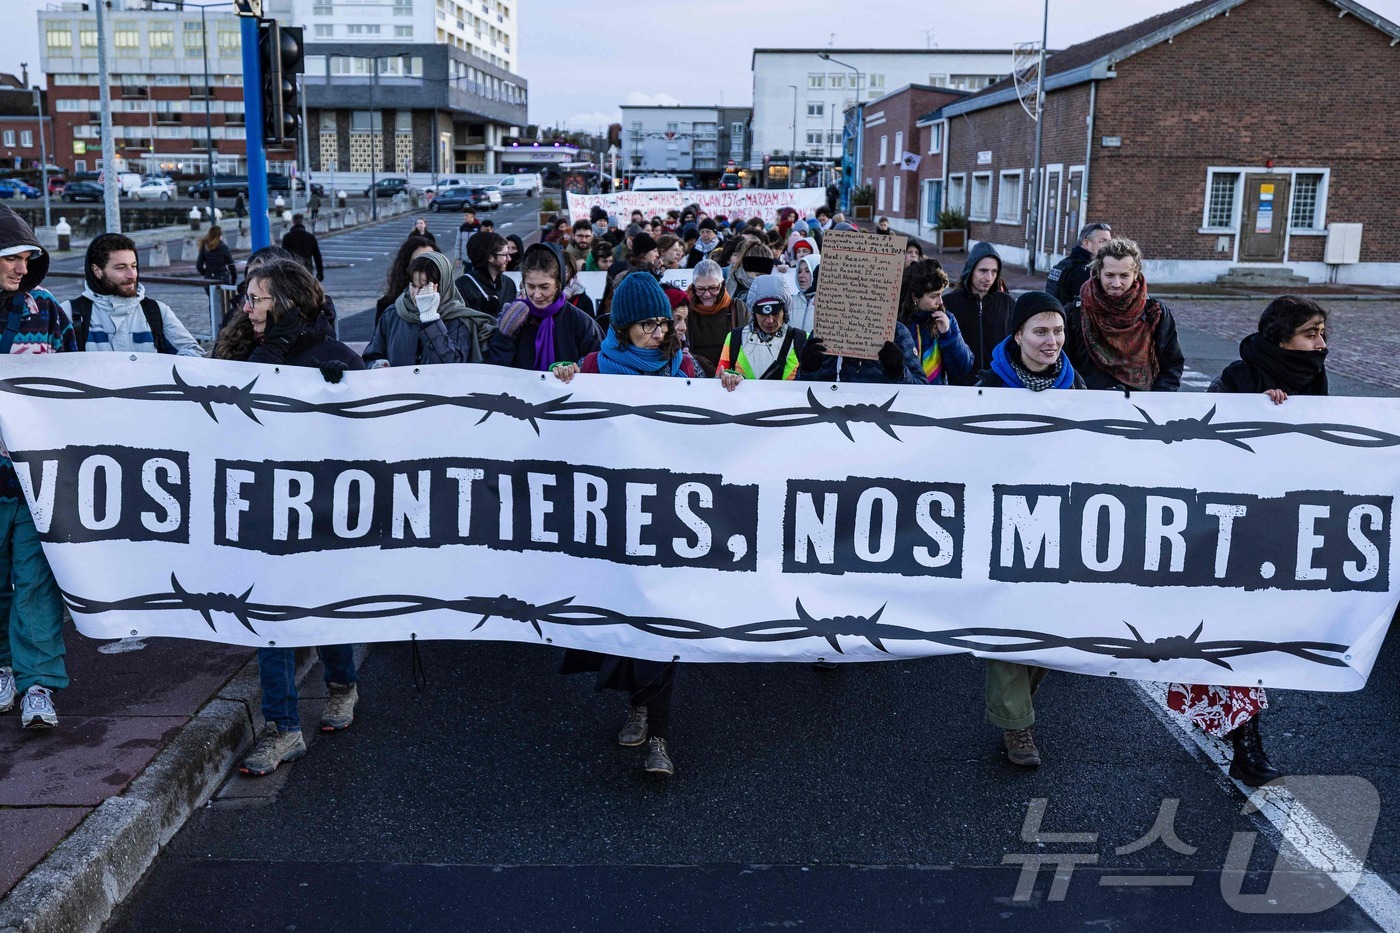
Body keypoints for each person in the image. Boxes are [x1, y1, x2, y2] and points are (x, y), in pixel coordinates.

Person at [1163, 296, 1330, 787]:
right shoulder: (1238, 379)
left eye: (1322, 334)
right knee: (1233, 639)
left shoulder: (1314, 381)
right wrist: (1260, 414)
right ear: (1282, 339)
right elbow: (1205, 450)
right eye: (1311, 334)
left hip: (1279, 533)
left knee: (1253, 640)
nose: (1320, 345)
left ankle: (1232, 727)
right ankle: (1247, 746)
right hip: (1224, 535)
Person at [212, 258, 363, 776]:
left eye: (257, 299)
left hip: (320, 515)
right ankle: (284, 729)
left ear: (289, 304)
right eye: (247, 298)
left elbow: (367, 442)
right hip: (262, 512)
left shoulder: (336, 358)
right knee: (269, 622)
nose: (246, 307)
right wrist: (269, 350)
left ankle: (342, 684)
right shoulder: (240, 352)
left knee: (323, 607)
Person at [551, 274, 695, 776]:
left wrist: (729, 391)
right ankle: (636, 703)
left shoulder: (684, 368)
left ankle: (660, 735)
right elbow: (559, 418)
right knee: (626, 620)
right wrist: (560, 379)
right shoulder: (593, 368)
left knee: (662, 625)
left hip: (669, 517)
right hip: (613, 517)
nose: (658, 333)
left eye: (662, 323)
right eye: (645, 325)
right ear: (623, 327)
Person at [973, 292, 1084, 767]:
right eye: (1040, 331)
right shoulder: (985, 385)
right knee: (1012, 621)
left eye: (1057, 331)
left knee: (1048, 626)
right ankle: (1017, 724)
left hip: (1058, 523)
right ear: (1017, 335)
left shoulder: (1078, 388)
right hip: (1002, 524)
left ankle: (1017, 708)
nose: (1051, 341)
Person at [0, 204, 76, 730]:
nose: (20, 267)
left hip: (34, 478)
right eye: (9, 257)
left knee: (35, 582)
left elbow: (77, 384)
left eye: (27, 257)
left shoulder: (46, 308)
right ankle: (4, 667)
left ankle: (37, 685)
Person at [1063, 237, 1184, 392]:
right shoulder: (1075, 314)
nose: (1116, 283)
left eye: (1124, 276)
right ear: (1098, 272)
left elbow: (1171, 365)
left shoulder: (1155, 313)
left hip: (1139, 407)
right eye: (1110, 275)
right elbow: (1062, 365)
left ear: (1136, 274)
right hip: (1088, 405)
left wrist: (1155, 402)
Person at [62, 232, 202, 356]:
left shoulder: (157, 311)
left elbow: (194, 351)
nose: (132, 275)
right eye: (121, 268)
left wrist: (164, 372)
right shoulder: (69, 313)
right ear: (97, 271)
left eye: (133, 266)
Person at [363, 250, 496, 368]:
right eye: (413, 286)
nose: (416, 294)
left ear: (441, 286)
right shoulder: (394, 313)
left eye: (423, 287)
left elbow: (453, 364)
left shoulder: (459, 320)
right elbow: (371, 355)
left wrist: (431, 320)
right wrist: (376, 365)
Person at [488, 242, 601, 372]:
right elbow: (493, 372)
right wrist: (504, 337)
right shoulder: (514, 317)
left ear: (559, 283)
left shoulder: (581, 323)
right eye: (530, 286)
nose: (536, 295)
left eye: (544, 287)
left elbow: (598, 367)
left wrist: (579, 369)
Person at [715, 273, 807, 386]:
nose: (769, 320)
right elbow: (718, 379)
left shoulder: (803, 340)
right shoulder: (734, 337)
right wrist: (726, 377)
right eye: (762, 313)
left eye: (775, 313)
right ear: (753, 313)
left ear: (785, 311)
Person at [943, 241, 1014, 386]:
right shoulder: (949, 303)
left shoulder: (1007, 303)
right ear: (971, 270)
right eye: (983, 271)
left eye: (994, 271)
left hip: (999, 386)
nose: (989, 278)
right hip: (959, 387)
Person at [899, 260, 974, 385]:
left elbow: (962, 367)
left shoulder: (947, 319)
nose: (940, 301)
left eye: (941, 294)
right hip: (904, 394)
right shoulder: (900, 323)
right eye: (933, 296)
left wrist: (948, 335)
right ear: (915, 297)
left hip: (935, 396)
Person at [686, 258, 750, 372]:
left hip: (731, 377)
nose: (707, 294)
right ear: (694, 287)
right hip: (697, 378)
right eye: (700, 289)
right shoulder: (685, 311)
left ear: (722, 285)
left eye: (712, 288)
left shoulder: (738, 308)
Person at [1046, 222, 1112, 307]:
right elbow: (1085, 306)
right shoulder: (1084, 270)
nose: (1108, 246)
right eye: (1102, 242)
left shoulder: (1062, 264)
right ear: (1086, 243)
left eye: (1109, 242)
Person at [455, 231, 517, 318]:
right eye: (505, 254)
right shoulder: (462, 286)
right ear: (490, 257)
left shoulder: (509, 283)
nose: (509, 259)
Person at [280, 213, 324, 281]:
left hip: (292, 270)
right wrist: (320, 272)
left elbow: (283, 256)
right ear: (303, 222)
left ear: (293, 222)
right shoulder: (310, 237)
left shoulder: (287, 237)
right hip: (307, 270)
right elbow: (317, 256)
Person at [790, 254, 820, 333]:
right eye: (799, 271)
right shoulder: (790, 301)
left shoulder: (826, 303)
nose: (801, 275)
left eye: (807, 271)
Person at [452, 207, 480, 278]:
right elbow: (458, 244)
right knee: (467, 279)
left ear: (472, 215)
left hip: (476, 260)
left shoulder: (479, 227)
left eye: (466, 215)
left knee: (476, 278)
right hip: (465, 260)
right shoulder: (462, 228)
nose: (464, 217)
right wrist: (458, 258)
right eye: (464, 215)